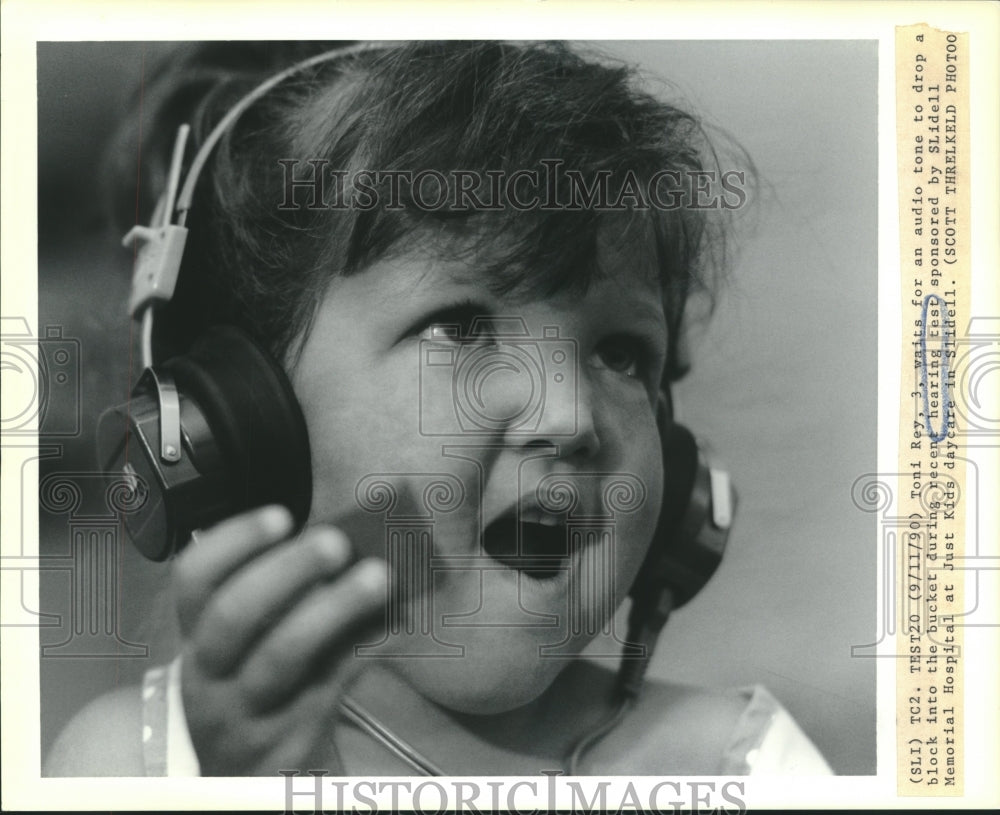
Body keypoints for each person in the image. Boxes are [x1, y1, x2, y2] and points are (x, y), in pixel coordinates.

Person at [44, 40, 831, 777]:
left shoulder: (742, 764)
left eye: (622, 353)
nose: (569, 416)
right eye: (460, 327)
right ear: (244, 427)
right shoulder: (138, 761)